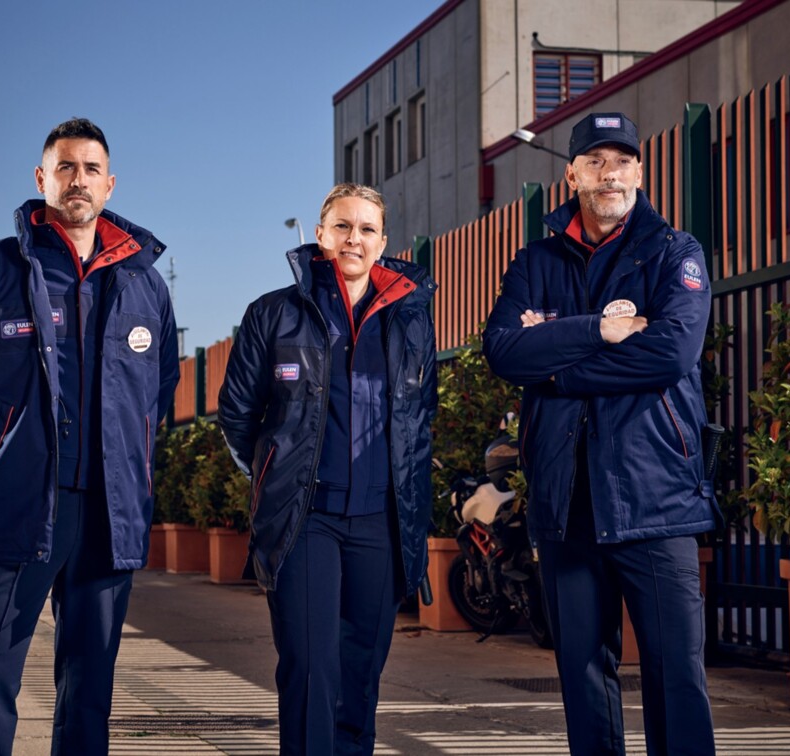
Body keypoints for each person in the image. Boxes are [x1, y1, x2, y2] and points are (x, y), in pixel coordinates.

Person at [0, 117, 180, 756]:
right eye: (65, 167)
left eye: (91, 169)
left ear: (110, 184)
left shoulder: (145, 285)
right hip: (17, 504)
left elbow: (160, 393)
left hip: (109, 512)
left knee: (90, 685)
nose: (78, 180)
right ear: (42, 178)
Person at [482, 112, 719, 756]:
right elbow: (503, 351)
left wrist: (556, 369)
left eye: (621, 161)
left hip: (657, 499)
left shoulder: (675, 253)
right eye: (595, 161)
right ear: (573, 175)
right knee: (583, 675)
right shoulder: (534, 262)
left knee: (676, 674)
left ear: (639, 171)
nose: (609, 173)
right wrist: (598, 330)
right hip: (565, 503)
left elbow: (670, 354)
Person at [217, 183, 438, 755]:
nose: (353, 239)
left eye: (366, 229)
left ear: (383, 242)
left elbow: (420, 417)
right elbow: (237, 414)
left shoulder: (410, 319)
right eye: (342, 226)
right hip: (305, 518)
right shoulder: (273, 314)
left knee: (361, 676)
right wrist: (274, 475)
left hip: (379, 522)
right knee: (311, 668)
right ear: (320, 236)